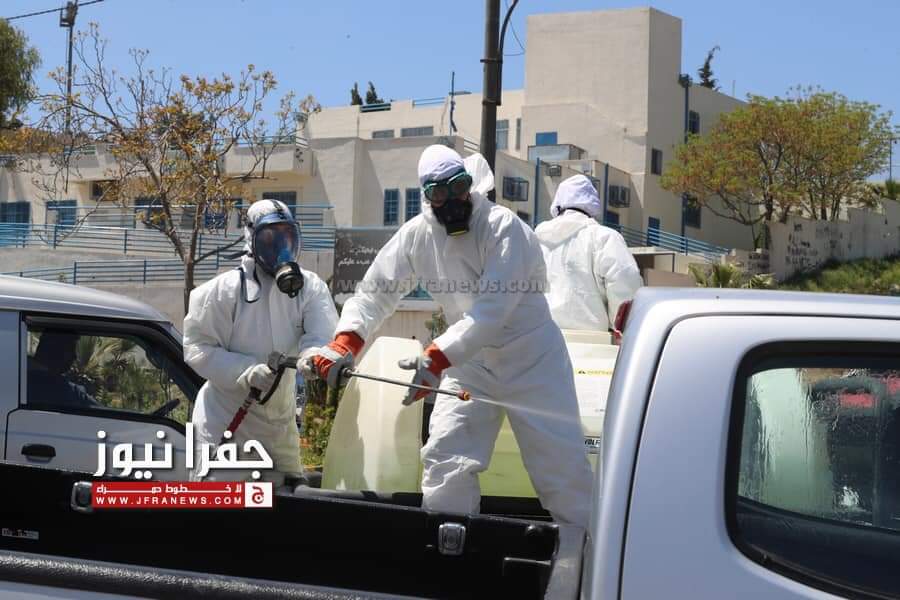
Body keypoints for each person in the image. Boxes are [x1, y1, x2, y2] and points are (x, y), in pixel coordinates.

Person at [312, 145, 593, 529]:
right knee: (446, 461)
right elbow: (375, 293)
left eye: (459, 187)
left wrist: (436, 357)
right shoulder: (417, 235)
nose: (453, 201)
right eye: (439, 193)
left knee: (562, 472)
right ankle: (453, 550)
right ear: (427, 196)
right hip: (469, 364)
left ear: (469, 184)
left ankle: (588, 557)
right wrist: (346, 341)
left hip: (532, 360)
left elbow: (492, 312)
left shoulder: (502, 226)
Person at [183, 199, 338, 484]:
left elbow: (321, 334)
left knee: (290, 501)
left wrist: (313, 356)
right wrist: (245, 371)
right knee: (222, 505)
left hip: (280, 427)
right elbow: (197, 347)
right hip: (225, 422)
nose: (281, 247)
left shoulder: (310, 288)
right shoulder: (223, 292)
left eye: (287, 236)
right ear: (251, 240)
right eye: (270, 238)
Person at [535, 174, 642, 333]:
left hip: (541, 336)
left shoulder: (536, 239)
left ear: (557, 204)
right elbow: (625, 281)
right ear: (592, 204)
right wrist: (619, 328)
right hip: (593, 340)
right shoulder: (604, 237)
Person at [28, 331, 99, 408]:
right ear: (55, 350)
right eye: (71, 349)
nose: (75, 356)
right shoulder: (66, 391)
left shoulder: (21, 376)